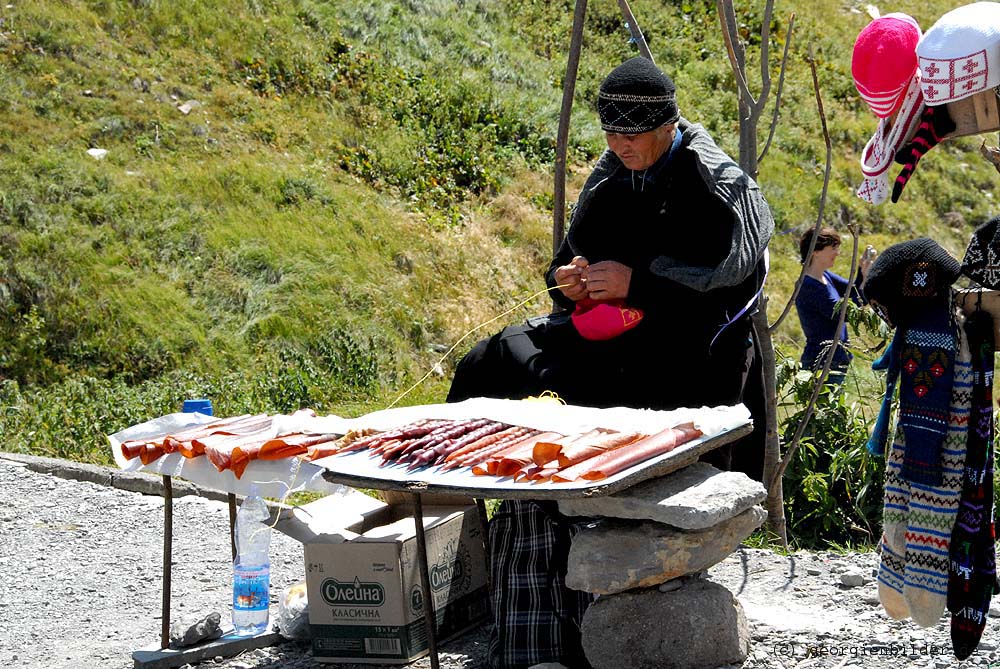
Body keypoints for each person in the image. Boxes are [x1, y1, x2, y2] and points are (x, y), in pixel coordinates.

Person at [446, 57, 773, 668]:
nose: (620, 145)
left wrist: (638, 285)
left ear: (667, 124)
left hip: (695, 365)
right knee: (519, 414)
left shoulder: (718, 184)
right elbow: (577, 253)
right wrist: (568, 280)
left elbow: (734, 287)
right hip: (612, 358)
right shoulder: (611, 175)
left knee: (636, 488)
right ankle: (540, 643)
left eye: (632, 134)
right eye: (611, 134)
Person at [794, 227, 874, 383]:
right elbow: (845, 314)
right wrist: (865, 280)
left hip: (835, 360)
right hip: (822, 363)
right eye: (833, 248)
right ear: (816, 251)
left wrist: (862, 271)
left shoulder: (824, 275)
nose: (837, 253)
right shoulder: (808, 286)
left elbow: (854, 292)